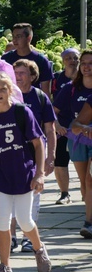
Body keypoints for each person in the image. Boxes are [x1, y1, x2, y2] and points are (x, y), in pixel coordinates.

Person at [0, 72, 51, 272]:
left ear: (10, 90)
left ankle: (39, 248)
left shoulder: (22, 112)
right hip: (2, 176)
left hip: (24, 174)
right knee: (2, 222)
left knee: (25, 221)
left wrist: (40, 173)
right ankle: (5, 266)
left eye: (3, 89)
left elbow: (38, 143)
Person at [12, 59, 56, 251]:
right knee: (9, 196)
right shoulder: (8, 95)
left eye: (22, 73)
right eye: (15, 72)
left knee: (33, 196)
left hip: (35, 154)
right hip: (11, 154)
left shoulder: (40, 97)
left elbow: (50, 128)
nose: (18, 77)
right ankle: (11, 236)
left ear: (32, 76)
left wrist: (50, 156)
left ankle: (28, 238)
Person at [57, 49, 92, 234]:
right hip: (77, 138)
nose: (87, 67)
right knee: (84, 180)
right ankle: (89, 213)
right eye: (84, 63)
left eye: (90, 63)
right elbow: (52, 110)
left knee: (90, 178)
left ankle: (88, 220)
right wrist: (56, 126)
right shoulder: (71, 88)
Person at [51, 48, 79, 205]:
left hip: (82, 128)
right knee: (60, 162)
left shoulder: (86, 79)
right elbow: (49, 104)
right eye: (69, 58)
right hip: (62, 127)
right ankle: (64, 193)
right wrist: (55, 124)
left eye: (75, 57)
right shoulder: (56, 79)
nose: (73, 60)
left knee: (85, 162)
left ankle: (85, 192)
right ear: (63, 61)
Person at [1, 23, 54, 97]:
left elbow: (46, 92)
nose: (14, 40)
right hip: (12, 102)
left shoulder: (41, 61)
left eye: (18, 37)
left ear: (29, 38)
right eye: (13, 37)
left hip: (34, 103)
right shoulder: (6, 59)